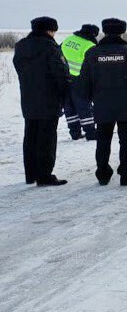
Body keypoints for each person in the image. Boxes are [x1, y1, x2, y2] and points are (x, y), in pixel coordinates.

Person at [79, 18, 127, 186]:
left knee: (103, 139)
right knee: (126, 140)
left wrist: (87, 98)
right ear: (122, 32)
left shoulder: (92, 53)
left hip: (102, 103)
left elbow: (84, 80)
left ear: (104, 31)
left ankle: (102, 174)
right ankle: (126, 174)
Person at [13, 16, 70, 186]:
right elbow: (60, 72)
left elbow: (18, 67)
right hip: (49, 98)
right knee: (46, 138)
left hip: (28, 97)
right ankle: (44, 175)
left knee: (30, 136)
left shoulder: (21, 46)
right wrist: (65, 92)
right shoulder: (50, 47)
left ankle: (30, 174)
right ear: (49, 30)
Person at [60, 24, 99, 140]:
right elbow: (93, 66)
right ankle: (90, 133)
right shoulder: (89, 46)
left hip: (65, 78)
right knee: (84, 107)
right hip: (80, 80)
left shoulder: (68, 40)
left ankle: (74, 133)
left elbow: (57, 54)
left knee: (69, 106)